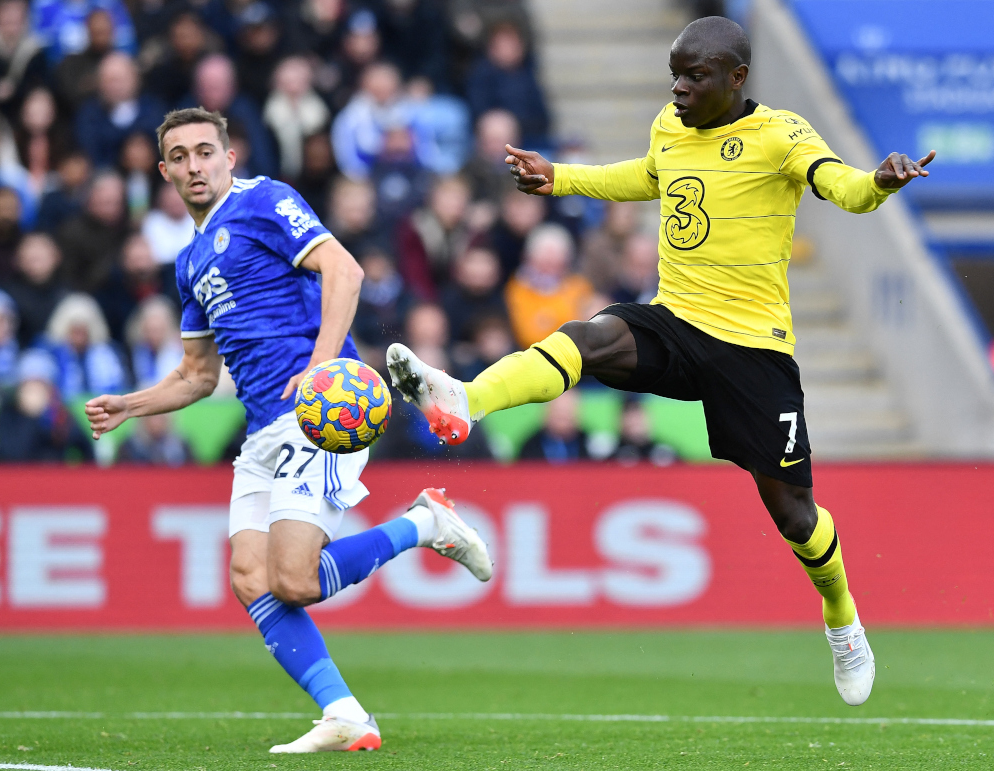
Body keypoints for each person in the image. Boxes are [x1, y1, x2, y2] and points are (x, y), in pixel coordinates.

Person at [386, 16, 937, 709]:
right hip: (676, 319)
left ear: (737, 79)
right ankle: (467, 399)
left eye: (695, 75)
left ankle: (843, 620)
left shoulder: (782, 135)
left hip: (752, 347)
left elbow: (844, 188)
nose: (679, 87)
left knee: (794, 514)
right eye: (674, 72)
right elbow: (645, 177)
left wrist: (880, 180)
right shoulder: (670, 127)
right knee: (587, 336)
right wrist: (561, 178)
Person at [84, 107, 492, 753]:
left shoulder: (267, 201)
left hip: (324, 410)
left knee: (294, 580)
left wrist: (322, 362)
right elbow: (196, 374)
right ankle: (345, 713)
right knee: (251, 576)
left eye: (205, 152)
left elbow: (346, 271)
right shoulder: (190, 261)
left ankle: (428, 523)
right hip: (263, 427)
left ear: (229, 156)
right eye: (181, 157)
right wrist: (129, 405)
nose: (195, 165)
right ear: (164, 171)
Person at [0, 348, 93, 462]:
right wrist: (32, 418)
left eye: (40, 386)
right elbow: (14, 453)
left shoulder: (60, 415)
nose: (34, 393)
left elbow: (87, 449)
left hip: (52, 477)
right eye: (29, 387)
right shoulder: (7, 414)